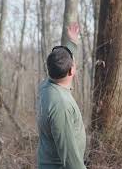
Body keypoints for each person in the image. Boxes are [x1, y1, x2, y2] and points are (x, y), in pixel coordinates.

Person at [36, 23, 86, 169]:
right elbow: (70, 158)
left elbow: (59, 62)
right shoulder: (61, 106)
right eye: (74, 64)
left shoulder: (46, 86)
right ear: (71, 71)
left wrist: (72, 43)